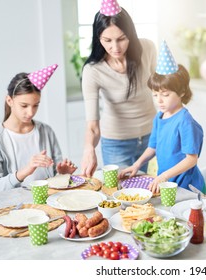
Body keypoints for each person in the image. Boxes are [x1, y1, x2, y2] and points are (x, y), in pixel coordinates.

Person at [80, 0, 157, 178]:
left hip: (151, 137)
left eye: (122, 39)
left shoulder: (148, 48)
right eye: (107, 40)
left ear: (130, 34)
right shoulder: (93, 70)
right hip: (116, 142)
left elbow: (161, 88)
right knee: (120, 192)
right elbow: (92, 125)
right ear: (98, 38)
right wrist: (89, 148)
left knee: (145, 194)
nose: (115, 47)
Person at [119, 41, 205, 194]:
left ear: (182, 92)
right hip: (166, 182)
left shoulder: (185, 122)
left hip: (186, 186)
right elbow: (153, 147)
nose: (159, 100)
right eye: (155, 94)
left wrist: (164, 176)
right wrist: (136, 165)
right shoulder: (160, 117)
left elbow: (191, 159)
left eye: (165, 95)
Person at [0, 65, 77, 194]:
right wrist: (25, 171)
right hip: (14, 208)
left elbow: (55, 179)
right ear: (9, 100)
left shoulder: (46, 131)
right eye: (24, 105)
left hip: (47, 202)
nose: (31, 112)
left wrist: (63, 174)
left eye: (35, 105)